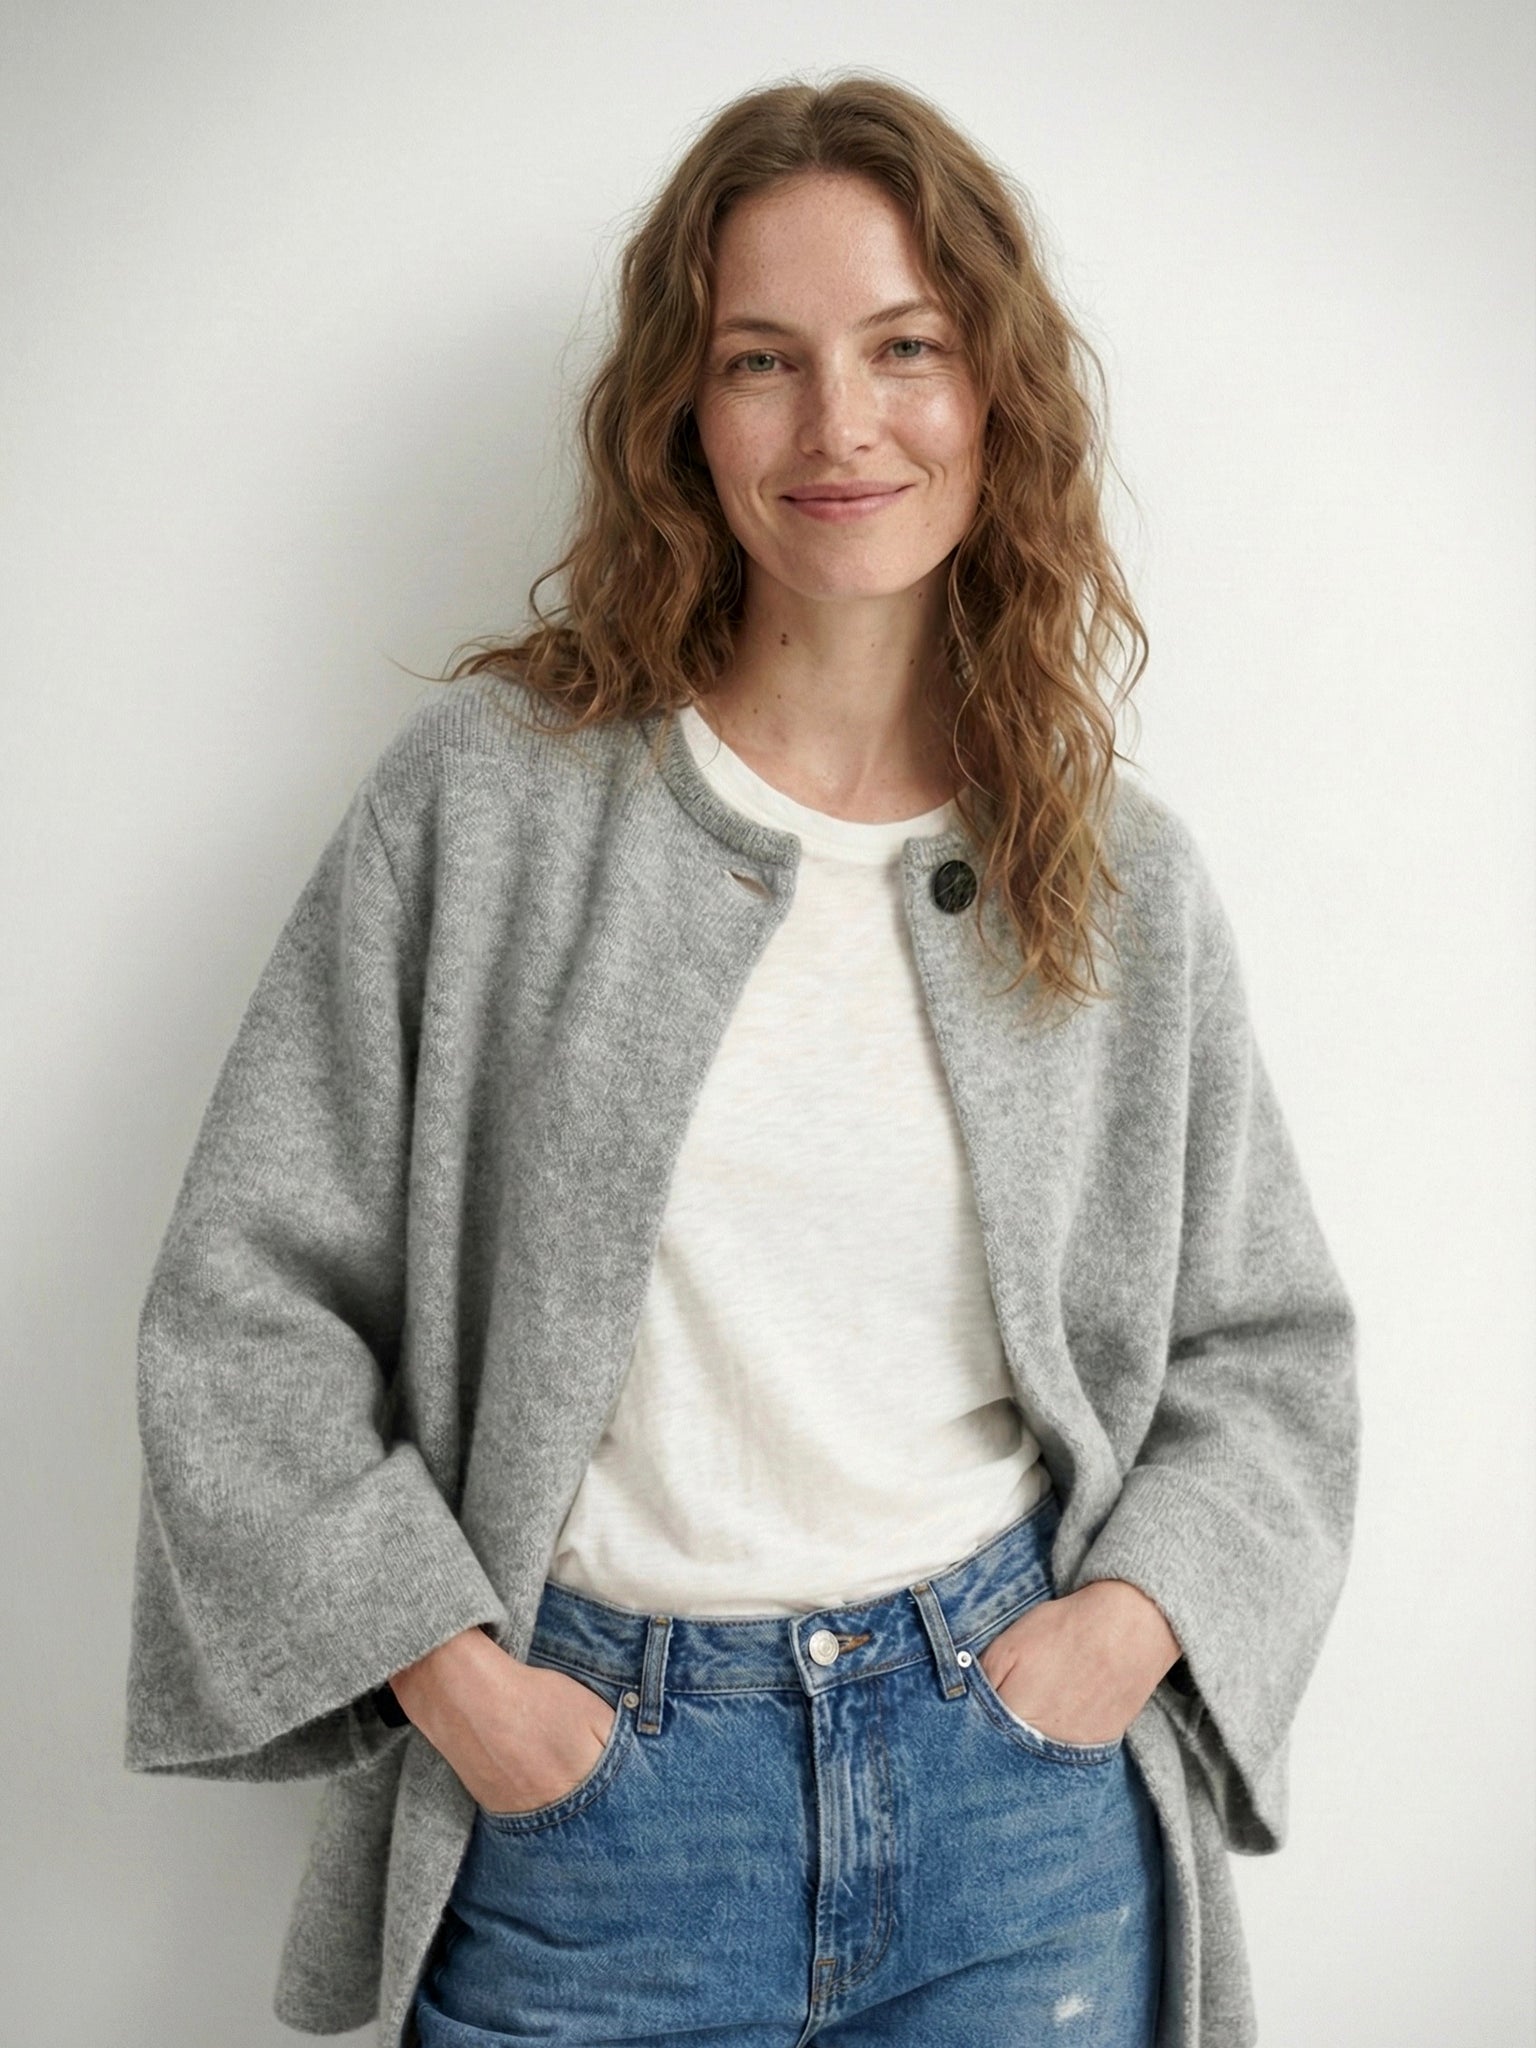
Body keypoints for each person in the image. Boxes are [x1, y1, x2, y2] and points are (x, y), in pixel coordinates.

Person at [124, 75, 1360, 2048]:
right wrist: (460, 1682)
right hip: (591, 1815)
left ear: (997, 392)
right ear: (682, 418)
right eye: (762, 360)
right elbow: (242, 1311)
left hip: (1017, 1816)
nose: (840, 424)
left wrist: (1120, 1634)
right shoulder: (490, 808)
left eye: (906, 348)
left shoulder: (1113, 877)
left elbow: (1267, 1357)